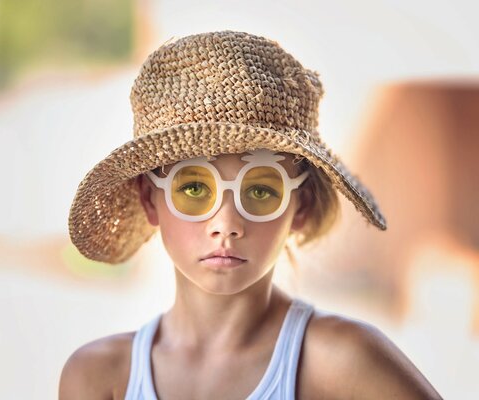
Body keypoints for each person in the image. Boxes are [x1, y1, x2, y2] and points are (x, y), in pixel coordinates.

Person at [59, 31, 442, 399]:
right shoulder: (98, 378)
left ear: (301, 207)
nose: (226, 225)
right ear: (149, 199)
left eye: (261, 190)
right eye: (193, 188)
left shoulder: (343, 364)